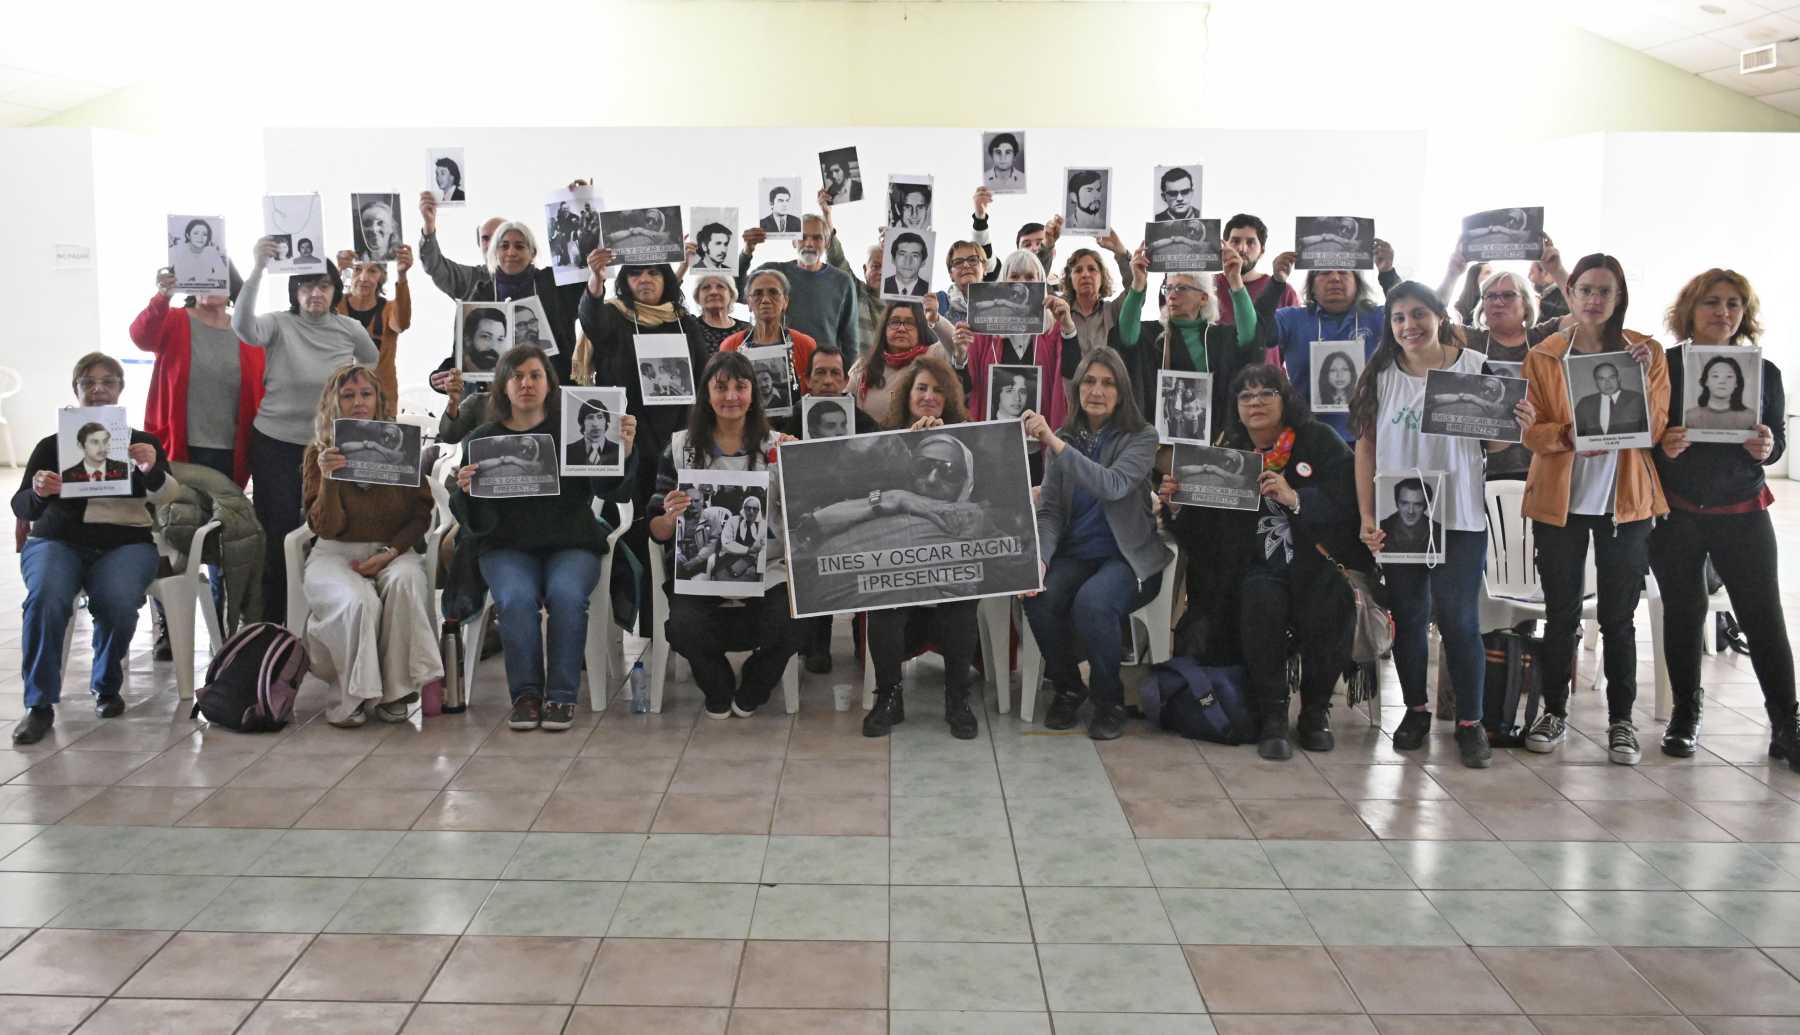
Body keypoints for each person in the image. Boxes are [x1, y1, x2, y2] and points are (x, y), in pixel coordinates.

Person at [1352, 282, 1535, 768]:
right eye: (1398, 318)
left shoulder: (1474, 368)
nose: (1408, 326)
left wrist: (1516, 424)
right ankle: (1415, 710)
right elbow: (1365, 449)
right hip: (1402, 515)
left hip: (1459, 514)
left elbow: (1496, 450)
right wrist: (1368, 516)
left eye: (1417, 314)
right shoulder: (1381, 375)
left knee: (1458, 619)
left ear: (1438, 315)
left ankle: (1471, 722)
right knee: (1409, 619)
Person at [1163, 364, 1372, 759]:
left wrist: (1296, 499)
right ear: (1236, 407)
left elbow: (1349, 504)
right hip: (1254, 566)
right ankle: (1273, 713)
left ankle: (1314, 711)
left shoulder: (1319, 440)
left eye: (1265, 393)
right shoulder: (1228, 451)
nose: (1255, 402)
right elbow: (1204, 529)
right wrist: (1176, 506)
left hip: (1316, 561)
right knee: (1258, 597)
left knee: (1333, 598)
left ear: (1285, 399)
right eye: (1245, 396)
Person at [1519, 254, 1669, 766]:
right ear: (1571, 292)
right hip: (1560, 501)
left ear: (1619, 296)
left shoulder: (1646, 352)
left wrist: (1643, 380)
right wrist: (1569, 436)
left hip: (1624, 502)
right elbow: (1531, 432)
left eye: (1605, 291)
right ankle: (1554, 711)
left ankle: (1621, 721)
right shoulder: (1544, 355)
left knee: (1618, 617)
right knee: (1559, 615)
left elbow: (1657, 426)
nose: (1594, 299)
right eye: (1586, 289)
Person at [452, 344, 637, 730]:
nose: (526, 384)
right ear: (502, 386)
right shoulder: (481, 440)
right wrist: (464, 490)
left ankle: (562, 696)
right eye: (516, 376)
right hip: (506, 546)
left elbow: (610, 491)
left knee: (568, 596)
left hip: (570, 542)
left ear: (549, 384)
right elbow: (473, 522)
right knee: (515, 600)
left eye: (535, 375)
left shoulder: (572, 432)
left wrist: (624, 451)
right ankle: (526, 695)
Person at [1650, 269, 1792, 762]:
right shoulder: (1664, 366)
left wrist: (1768, 447)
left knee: (1763, 618)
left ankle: (1786, 722)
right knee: (1684, 616)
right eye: (1712, 302)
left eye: (1733, 304)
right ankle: (1685, 713)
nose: (1723, 312)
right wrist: (1662, 447)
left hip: (1743, 511)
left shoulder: (1764, 371)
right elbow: (1640, 441)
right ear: (1690, 309)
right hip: (1678, 514)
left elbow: (1776, 445)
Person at [12, 354, 181, 743]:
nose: (98, 388)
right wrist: (38, 492)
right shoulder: (52, 445)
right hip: (57, 540)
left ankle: (106, 685)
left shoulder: (142, 444)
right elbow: (21, 506)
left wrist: (151, 469)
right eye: (88, 382)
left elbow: (169, 495)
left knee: (119, 600)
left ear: (121, 389)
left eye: (108, 381)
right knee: (46, 597)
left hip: (124, 541)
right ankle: (38, 704)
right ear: (76, 391)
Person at [1022, 348, 1169, 740]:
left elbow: (1113, 485)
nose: (1097, 390)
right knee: (1037, 595)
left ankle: (1110, 701)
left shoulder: (1142, 437)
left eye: (1108, 383)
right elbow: (1050, 511)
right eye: (1089, 381)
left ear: (1122, 391)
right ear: (1077, 388)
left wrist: (1053, 443)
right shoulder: (1066, 438)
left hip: (1129, 559)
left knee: (1094, 602)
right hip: (1077, 555)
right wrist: (1040, 559)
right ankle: (1069, 686)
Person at [648, 351, 801, 718]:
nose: (731, 396)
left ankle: (755, 684)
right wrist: (670, 517)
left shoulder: (778, 446)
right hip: (701, 575)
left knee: (799, 621)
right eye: (720, 387)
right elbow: (656, 530)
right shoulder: (679, 448)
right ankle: (715, 684)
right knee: (683, 627)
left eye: (740, 387)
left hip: (771, 570)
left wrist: (803, 467)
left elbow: (804, 515)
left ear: (754, 395)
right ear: (706, 394)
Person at [235, 237, 379, 625]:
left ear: (335, 290)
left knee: (324, 528)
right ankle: (277, 621)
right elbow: (243, 327)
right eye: (306, 286)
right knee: (279, 531)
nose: (315, 293)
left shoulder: (348, 328)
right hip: (275, 442)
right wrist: (257, 269)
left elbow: (371, 360)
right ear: (294, 291)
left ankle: (321, 613)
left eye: (324, 286)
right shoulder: (279, 324)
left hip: (327, 445)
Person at [848, 356, 987, 739]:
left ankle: (957, 698)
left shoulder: (970, 438)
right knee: (884, 596)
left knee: (962, 599)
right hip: (897, 562)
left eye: (938, 390)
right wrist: (908, 443)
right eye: (921, 388)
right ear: (907, 395)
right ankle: (888, 696)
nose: (928, 396)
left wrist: (946, 446)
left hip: (950, 566)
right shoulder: (883, 439)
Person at [302, 365, 441, 727]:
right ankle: (350, 696)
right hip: (335, 551)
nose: (359, 402)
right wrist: (329, 480)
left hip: (393, 549)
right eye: (348, 395)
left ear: (379, 399)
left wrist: (392, 551)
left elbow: (420, 515)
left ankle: (396, 692)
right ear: (334, 402)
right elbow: (325, 527)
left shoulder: (402, 447)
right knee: (357, 601)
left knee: (407, 583)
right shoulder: (317, 453)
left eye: (366, 394)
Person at [417, 188, 590, 386]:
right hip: (498, 400)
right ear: (493, 252)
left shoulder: (553, 282)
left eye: (519, 246)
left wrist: (583, 199)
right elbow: (464, 355)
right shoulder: (480, 292)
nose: (511, 252)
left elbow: (586, 273)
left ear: (532, 252)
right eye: (504, 245)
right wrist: (443, 376)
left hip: (552, 394)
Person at [130, 266, 265, 487]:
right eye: (202, 277)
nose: (209, 284)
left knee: (227, 515)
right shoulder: (173, 319)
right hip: (179, 443)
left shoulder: (248, 331)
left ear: (231, 286)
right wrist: (163, 295)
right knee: (183, 514)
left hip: (233, 448)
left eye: (217, 278)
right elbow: (141, 337)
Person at [1110, 242, 1265, 430]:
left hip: (1213, 437)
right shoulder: (1152, 334)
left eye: (1181, 288)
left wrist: (1235, 281)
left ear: (1203, 297)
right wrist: (1138, 285)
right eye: (1169, 289)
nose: (1172, 296)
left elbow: (1250, 337)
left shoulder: (1217, 337)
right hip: (1159, 439)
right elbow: (1125, 337)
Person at [1270, 255, 1399, 441]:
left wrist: (1387, 274)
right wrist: (1277, 282)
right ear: (1311, 285)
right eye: (1325, 272)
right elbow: (1256, 334)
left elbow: (1411, 312)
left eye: (1344, 272)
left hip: (1374, 436)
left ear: (1358, 282)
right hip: (1310, 437)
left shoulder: (1378, 317)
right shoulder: (1291, 319)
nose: (1335, 278)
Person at [965, 250, 1079, 428]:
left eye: (1029, 276)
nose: (1021, 282)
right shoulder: (983, 331)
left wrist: (1068, 327)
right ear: (1003, 281)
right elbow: (967, 384)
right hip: (993, 439)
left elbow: (1072, 374)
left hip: (1040, 439)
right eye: (1014, 276)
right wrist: (959, 352)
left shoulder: (1053, 329)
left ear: (1040, 281)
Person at [740, 213, 859, 360]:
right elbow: (737, 293)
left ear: (827, 243)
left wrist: (846, 379)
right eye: (803, 237)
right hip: (779, 367)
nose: (809, 243)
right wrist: (747, 251)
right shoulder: (773, 273)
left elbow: (850, 341)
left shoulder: (842, 281)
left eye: (817, 238)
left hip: (823, 371)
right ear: (793, 242)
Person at [849, 301, 967, 419]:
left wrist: (935, 319)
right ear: (884, 328)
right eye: (895, 322)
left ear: (920, 327)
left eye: (910, 323)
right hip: (871, 436)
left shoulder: (932, 355)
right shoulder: (864, 366)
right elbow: (844, 403)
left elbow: (957, 345)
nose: (901, 329)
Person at [336, 248, 414, 416]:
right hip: (338, 400)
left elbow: (401, 323)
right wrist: (337, 272)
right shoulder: (337, 307)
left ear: (382, 276)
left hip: (381, 403)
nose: (363, 278)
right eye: (357, 269)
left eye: (372, 271)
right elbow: (318, 316)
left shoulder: (389, 309)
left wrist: (402, 275)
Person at [723, 268, 818, 393]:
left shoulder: (805, 345)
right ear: (749, 303)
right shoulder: (731, 346)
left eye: (773, 292)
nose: (765, 300)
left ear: (785, 302)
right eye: (757, 294)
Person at [1216, 214, 1299, 329]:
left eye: (1250, 243)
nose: (1242, 249)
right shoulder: (1208, 287)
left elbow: (1293, 336)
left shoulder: (1283, 291)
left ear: (1262, 251)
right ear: (1224, 246)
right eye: (1235, 241)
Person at [1059, 236, 1136, 359]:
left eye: (1092, 269)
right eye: (1078, 270)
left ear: (1102, 277)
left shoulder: (1113, 311)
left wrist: (1121, 253)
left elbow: (1136, 289)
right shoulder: (1060, 313)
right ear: (1070, 279)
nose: (1085, 274)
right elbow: (1036, 290)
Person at [1572, 359, 1650, 438]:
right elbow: (1576, 434)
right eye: (1601, 379)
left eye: (1612, 377)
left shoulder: (1637, 399)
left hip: (1630, 450)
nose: (1607, 383)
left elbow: (1647, 432)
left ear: (1618, 379)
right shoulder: (1584, 403)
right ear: (1596, 382)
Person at [1683, 354, 1754, 430]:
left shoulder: (1750, 418)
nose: (1722, 381)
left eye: (1729, 376)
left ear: (1736, 383)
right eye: (1715, 376)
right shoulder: (1690, 417)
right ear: (1706, 381)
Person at [689, 272, 750, 357]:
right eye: (706, 287)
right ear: (697, 297)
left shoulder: (747, 330)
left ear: (731, 294)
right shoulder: (690, 328)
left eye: (720, 286)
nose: (713, 292)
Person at [1379, 477, 1439, 554]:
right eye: (1405, 503)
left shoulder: (1438, 532)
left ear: (1425, 506)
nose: (1410, 511)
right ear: (1397, 504)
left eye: (1417, 504)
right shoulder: (1381, 528)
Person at [170, 218, 227, 293]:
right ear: (188, 235)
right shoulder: (178, 253)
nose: (200, 238)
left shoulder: (212, 252)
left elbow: (222, 278)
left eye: (204, 234)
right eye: (196, 233)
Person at [61, 423, 129, 483]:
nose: (102, 448)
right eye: (95, 442)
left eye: (105, 441)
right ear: (81, 445)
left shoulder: (125, 469)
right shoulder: (66, 476)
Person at [566, 398, 620, 468]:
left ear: (606, 421)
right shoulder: (568, 451)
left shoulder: (618, 450)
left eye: (600, 417)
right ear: (582, 423)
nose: (595, 424)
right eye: (590, 417)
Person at [461, 307, 507, 374]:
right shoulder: (451, 369)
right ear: (468, 340)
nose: (494, 347)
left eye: (500, 339)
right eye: (486, 337)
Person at [883, 232, 929, 298]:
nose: (908, 262)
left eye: (915, 255)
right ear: (893, 259)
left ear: (923, 262)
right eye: (902, 254)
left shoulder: (928, 291)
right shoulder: (883, 286)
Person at [357, 196, 399, 262]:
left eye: (380, 223)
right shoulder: (355, 259)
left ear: (391, 228)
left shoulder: (402, 259)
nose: (374, 229)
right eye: (367, 224)